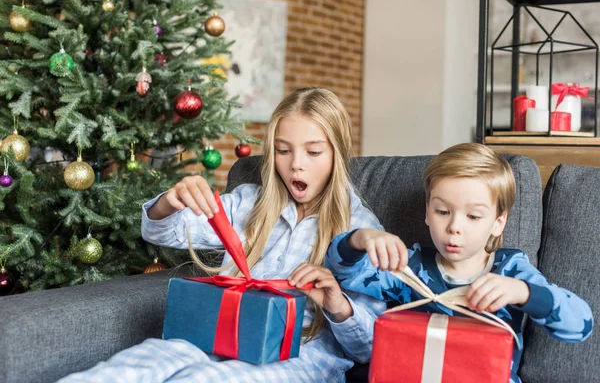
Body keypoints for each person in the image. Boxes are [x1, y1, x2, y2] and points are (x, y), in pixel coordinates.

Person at [58, 87, 386, 383]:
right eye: (283, 151)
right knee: (127, 370)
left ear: (337, 154)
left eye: (313, 152)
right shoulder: (247, 203)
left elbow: (367, 349)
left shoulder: (361, 232)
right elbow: (160, 231)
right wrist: (170, 202)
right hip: (220, 336)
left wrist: (337, 304)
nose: (295, 165)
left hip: (301, 355)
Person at [325, 143, 593, 383]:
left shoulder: (510, 269)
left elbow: (580, 324)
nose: (454, 227)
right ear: (427, 212)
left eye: (474, 216)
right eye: (443, 211)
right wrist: (359, 239)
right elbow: (344, 273)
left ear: (498, 223)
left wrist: (523, 292)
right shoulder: (410, 267)